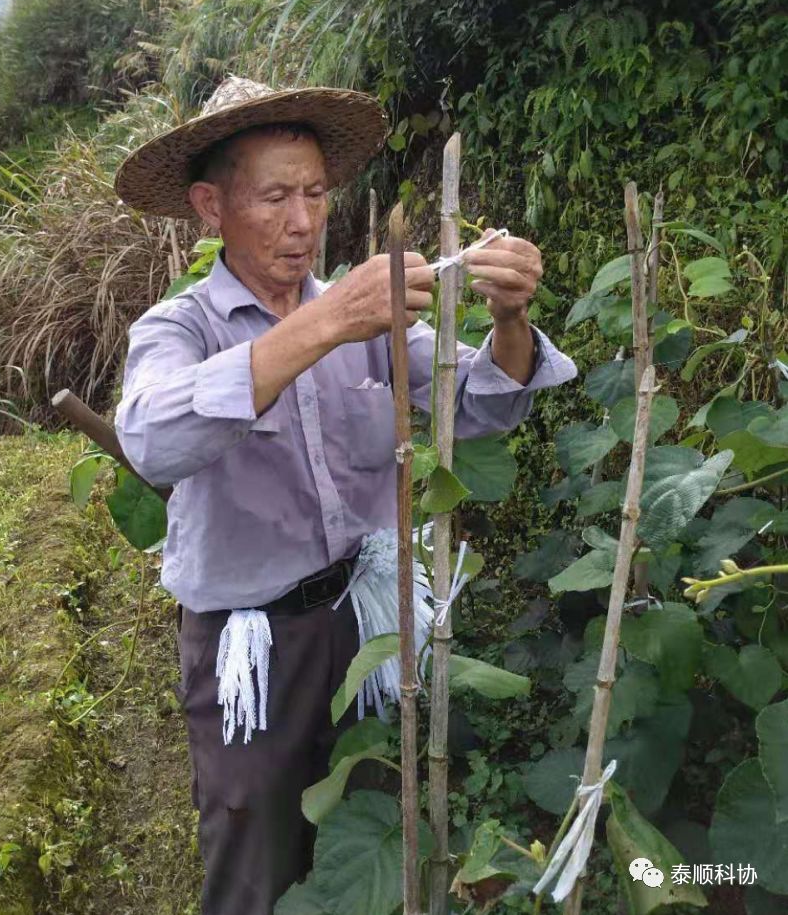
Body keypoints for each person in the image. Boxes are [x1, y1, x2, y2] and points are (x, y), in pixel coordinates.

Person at [112, 75, 578, 915]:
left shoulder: (367, 320)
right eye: (276, 196)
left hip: (364, 626)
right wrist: (324, 324)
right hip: (248, 646)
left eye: (317, 192)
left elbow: (483, 401)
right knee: (254, 856)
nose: (303, 221)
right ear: (211, 206)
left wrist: (509, 316)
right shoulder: (183, 328)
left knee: (373, 824)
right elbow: (149, 437)